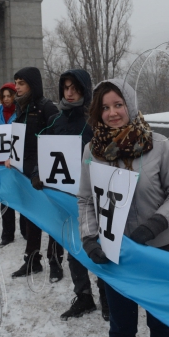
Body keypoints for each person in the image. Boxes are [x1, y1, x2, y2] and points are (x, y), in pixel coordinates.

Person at [79, 79, 169, 337]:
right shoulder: (91, 151)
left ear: (130, 105)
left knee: (161, 322)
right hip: (115, 253)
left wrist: (156, 223)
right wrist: (89, 237)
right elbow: (85, 200)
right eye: (105, 107)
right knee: (121, 325)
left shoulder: (159, 145)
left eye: (118, 105)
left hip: (159, 248)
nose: (112, 113)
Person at [39, 69, 109, 321]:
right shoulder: (56, 121)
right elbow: (48, 156)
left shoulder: (95, 120)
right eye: (65, 87)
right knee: (72, 246)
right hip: (65, 197)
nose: (69, 92)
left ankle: (107, 298)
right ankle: (83, 297)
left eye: (74, 87)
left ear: (84, 89)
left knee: (98, 247)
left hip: (92, 196)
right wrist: (39, 173)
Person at [9, 68, 59, 278]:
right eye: (16, 83)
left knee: (54, 219)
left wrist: (41, 169)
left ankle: (55, 262)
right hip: (25, 173)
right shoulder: (20, 108)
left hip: (46, 175)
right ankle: (32, 261)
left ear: (32, 84)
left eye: (21, 83)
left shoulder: (46, 108)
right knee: (31, 219)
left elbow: (56, 142)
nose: (16, 87)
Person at [0, 83, 28, 247]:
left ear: (14, 96)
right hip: (1, 164)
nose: (6, 99)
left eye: (8, 95)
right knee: (5, 200)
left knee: (22, 197)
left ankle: (26, 230)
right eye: (3, 96)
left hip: (18, 162)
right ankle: (7, 234)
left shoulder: (22, 112)